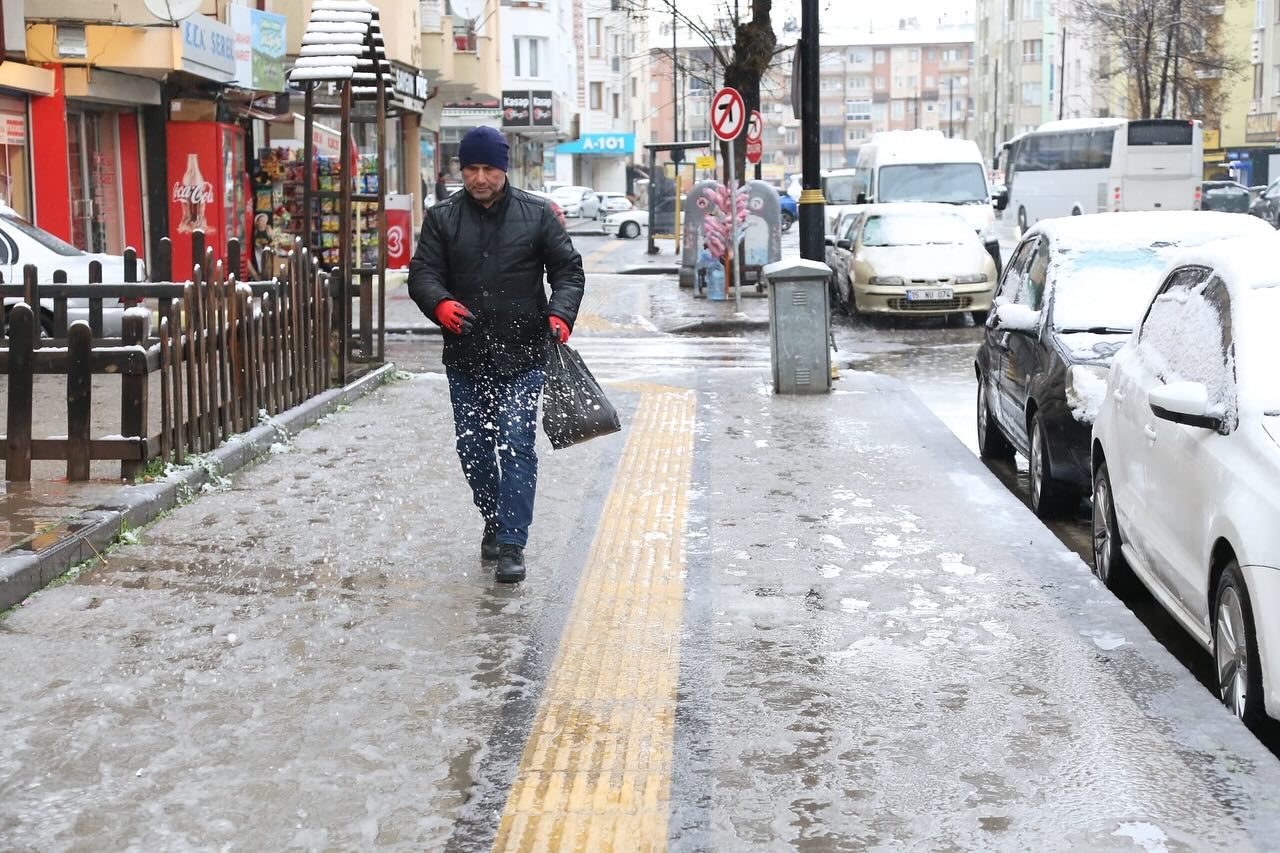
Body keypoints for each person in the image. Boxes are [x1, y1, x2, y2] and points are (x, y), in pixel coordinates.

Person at [408, 126, 585, 583]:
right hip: (466, 356)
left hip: (524, 353)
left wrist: (560, 315)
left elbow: (568, 271)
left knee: (516, 444)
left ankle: (511, 542)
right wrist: (439, 303)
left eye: (489, 169)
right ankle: (493, 517)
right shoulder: (442, 218)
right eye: (472, 168)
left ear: (503, 169)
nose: (480, 178)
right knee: (474, 449)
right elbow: (423, 272)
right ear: (460, 169)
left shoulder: (538, 214)